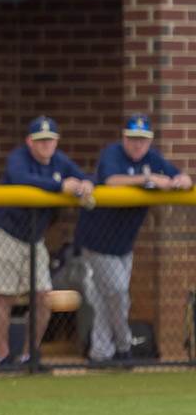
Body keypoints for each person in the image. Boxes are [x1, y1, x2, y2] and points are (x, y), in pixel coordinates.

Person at [73, 115, 191, 364]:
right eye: (133, 139)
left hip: (124, 243)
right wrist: (147, 180)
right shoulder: (113, 153)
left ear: (149, 141)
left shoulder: (152, 158)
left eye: (143, 140)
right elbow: (111, 180)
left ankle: (101, 353)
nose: (138, 145)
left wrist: (180, 180)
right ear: (124, 138)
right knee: (117, 293)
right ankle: (125, 346)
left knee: (108, 298)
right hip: (97, 240)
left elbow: (180, 177)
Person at [0, 116, 93, 368]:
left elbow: (84, 177)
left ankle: (30, 354)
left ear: (56, 142)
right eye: (40, 141)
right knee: (4, 297)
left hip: (33, 239)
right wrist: (59, 186)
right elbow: (23, 180)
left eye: (50, 140)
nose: (45, 145)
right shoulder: (19, 158)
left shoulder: (60, 161)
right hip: (4, 234)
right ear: (29, 141)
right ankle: (3, 356)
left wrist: (85, 183)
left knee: (43, 297)